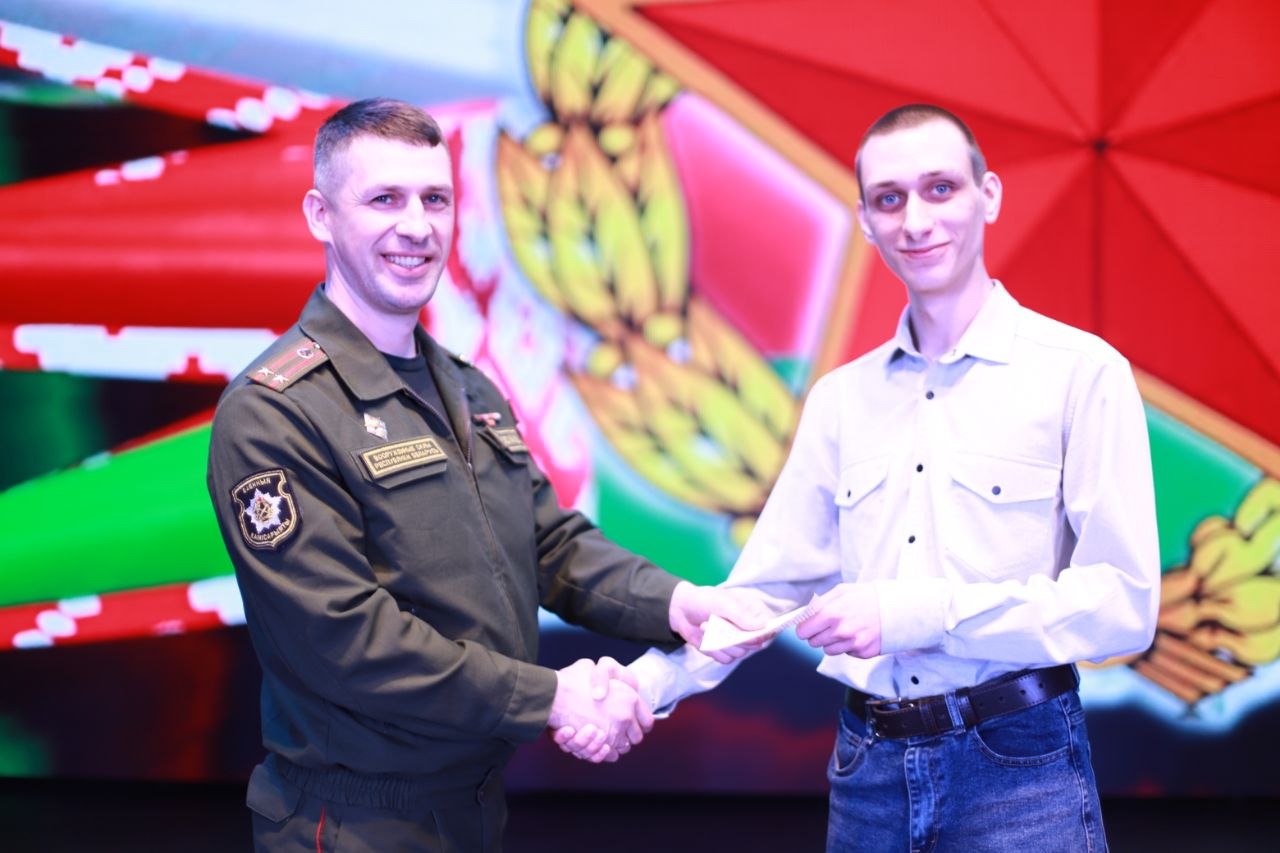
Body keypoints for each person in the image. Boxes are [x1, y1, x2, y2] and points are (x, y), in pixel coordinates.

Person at [561, 104, 1160, 851]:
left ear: (989, 196)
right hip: (867, 769)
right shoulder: (840, 399)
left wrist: (916, 613)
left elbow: (1121, 605)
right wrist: (644, 684)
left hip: (1019, 767)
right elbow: (767, 593)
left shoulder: (1082, 373)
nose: (916, 220)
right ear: (867, 222)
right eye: (889, 198)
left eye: (940, 188)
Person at [206, 97, 761, 852]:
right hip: (353, 822)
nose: (417, 226)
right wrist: (553, 697)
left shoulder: (469, 389)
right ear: (320, 215)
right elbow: (346, 641)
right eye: (384, 199)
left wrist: (676, 602)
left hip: (473, 807)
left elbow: (548, 544)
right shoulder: (276, 411)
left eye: (435, 199)